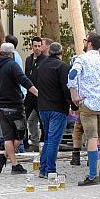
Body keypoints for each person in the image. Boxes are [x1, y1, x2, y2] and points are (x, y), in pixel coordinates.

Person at [0, 42, 37, 175]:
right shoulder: (12, 65)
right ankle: (6, 158)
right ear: (11, 54)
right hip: (14, 106)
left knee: (8, 137)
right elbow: (23, 80)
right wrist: (38, 93)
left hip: (0, 108)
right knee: (19, 136)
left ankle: (12, 163)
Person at [68, 33, 100, 186]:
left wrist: (74, 94)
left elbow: (72, 74)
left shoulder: (82, 58)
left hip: (88, 102)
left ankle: (93, 175)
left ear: (89, 44)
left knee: (92, 138)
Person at [36, 42, 71, 178]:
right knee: (53, 141)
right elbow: (66, 88)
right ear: (61, 53)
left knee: (47, 139)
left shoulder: (41, 65)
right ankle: (50, 170)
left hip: (43, 107)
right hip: (57, 108)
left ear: (49, 52)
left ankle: (43, 169)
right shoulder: (62, 67)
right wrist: (72, 105)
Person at [24, 36, 44, 152]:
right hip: (29, 95)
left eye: (38, 46)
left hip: (39, 95)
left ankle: (41, 142)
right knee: (26, 119)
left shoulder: (44, 60)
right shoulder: (28, 59)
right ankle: (28, 141)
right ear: (32, 47)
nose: (37, 48)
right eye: (35, 46)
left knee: (41, 120)